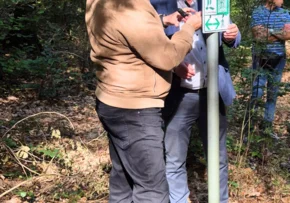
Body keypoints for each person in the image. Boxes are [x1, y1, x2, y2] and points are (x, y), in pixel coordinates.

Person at [85, 0, 202, 202]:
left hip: (112, 99)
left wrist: (163, 20)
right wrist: (189, 28)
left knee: (124, 182)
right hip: (135, 109)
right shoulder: (131, 6)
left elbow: (123, 26)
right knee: (152, 191)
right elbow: (168, 56)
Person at [151, 0, 241, 202]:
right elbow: (150, 45)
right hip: (178, 95)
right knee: (174, 160)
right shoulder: (161, 5)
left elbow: (231, 33)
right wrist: (174, 66)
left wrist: (233, 34)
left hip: (213, 94)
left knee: (218, 158)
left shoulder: (211, 3)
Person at [249, 0, 290, 136]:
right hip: (261, 58)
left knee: (272, 95)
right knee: (257, 93)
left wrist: (269, 31)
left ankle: (267, 128)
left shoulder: (285, 13)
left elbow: (288, 34)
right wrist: (279, 33)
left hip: (279, 59)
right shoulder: (258, 12)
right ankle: (249, 129)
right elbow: (259, 37)